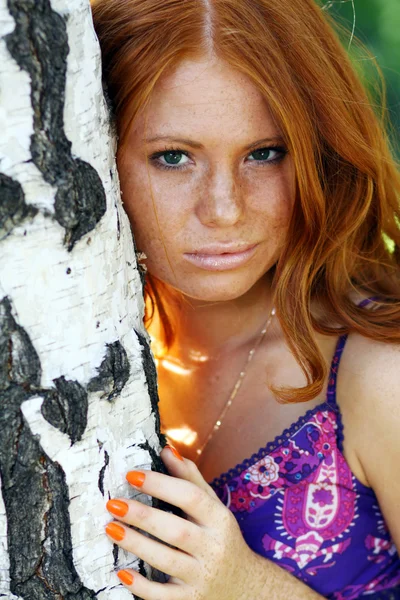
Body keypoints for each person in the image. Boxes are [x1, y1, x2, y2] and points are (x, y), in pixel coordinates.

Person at [90, 0, 400, 598]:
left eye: (265, 153)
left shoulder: (378, 373)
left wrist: (247, 586)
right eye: (173, 157)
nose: (225, 210)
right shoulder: (84, 349)